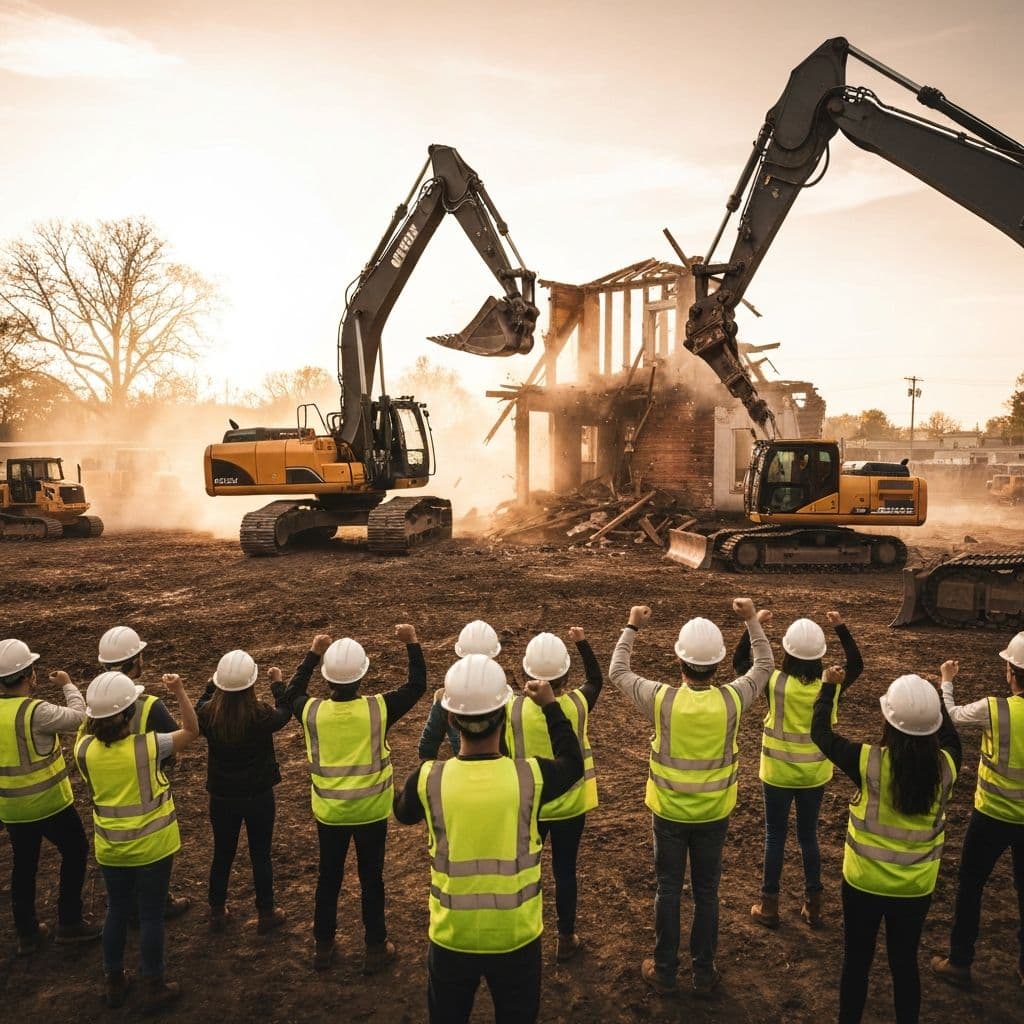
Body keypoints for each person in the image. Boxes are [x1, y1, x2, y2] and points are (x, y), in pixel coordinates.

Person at [393, 654, 583, 1024]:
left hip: (451, 935)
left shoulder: (428, 779)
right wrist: (550, 707)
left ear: (450, 719)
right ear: (504, 715)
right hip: (516, 935)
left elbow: (402, 813)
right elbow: (573, 763)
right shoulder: (531, 777)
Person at [610, 597, 773, 997]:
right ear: (718, 665)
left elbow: (618, 671)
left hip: (667, 811)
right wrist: (751, 620)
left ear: (679, 661)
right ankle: (703, 971)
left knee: (668, 889)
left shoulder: (663, 700)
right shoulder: (733, 699)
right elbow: (765, 666)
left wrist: (632, 625)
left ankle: (665, 969)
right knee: (707, 892)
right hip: (714, 813)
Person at [812, 668, 961, 1024]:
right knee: (905, 963)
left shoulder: (868, 761)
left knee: (857, 961)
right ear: (933, 725)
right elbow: (952, 739)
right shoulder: (948, 768)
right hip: (915, 886)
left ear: (887, 720)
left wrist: (828, 688)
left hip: (863, 882)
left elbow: (820, 733)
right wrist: (934, 696)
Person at [284, 624, 426, 974]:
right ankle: (376, 946)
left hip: (330, 812)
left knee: (328, 878)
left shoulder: (311, 712)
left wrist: (313, 654)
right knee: (371, 878)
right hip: (371, 811)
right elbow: (416, 686)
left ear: (327, 679)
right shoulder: (378, 709)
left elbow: (290, 695)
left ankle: (323, 945)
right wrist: (412, 643)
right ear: (363, 675)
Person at [74, 671, 200, 1010]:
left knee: (115, 911)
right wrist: (180, 690)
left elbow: (88, 724)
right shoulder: (149, 746)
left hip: (111, 847)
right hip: (153, 846)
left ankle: (114, 981)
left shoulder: (83, 749)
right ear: (130, 712)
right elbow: (192, 731)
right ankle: (154, 983)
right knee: (151, 915)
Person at [738, 610, 863, 929]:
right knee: (808, 836)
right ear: (820, 656)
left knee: (775, 835)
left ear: (787, 653)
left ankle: (769, 905)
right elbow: (857, 665)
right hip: (814, 775)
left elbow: (741, 664)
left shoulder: (775, 682)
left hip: (777, 773)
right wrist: (840, 626)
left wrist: (755, 625)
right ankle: (814, 906)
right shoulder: (830, 687)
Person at [931, 631, 1024, 990]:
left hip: (992, 816)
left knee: (970, 886)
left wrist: (946, 682)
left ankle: (960, 961)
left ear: (1010, 672)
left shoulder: (994, 709)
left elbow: (951, 716)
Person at [506, 627, 602, 962]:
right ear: (564, 674)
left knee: (525, 870)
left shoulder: (512, 710)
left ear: (527, 674)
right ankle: (566, 936)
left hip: (528, 804)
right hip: (570, 806)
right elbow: (595, 680)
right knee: (565, 871)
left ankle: (524, 931)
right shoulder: (577, 704)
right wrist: (582, 642)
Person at [0, 638, 101, 955]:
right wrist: (69, 685)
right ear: (29, 674)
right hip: (50, 803)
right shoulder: (37, 712)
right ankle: (69, 921)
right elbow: (80, 717)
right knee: (76, 850)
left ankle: (27, 932)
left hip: (13, 809)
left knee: (24, 865)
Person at [195, 647, 297, 934]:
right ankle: (266, 912)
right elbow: (285, 712)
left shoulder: (208, 715)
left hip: (222, 796)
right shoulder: (260, 714)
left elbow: (200, 703)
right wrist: (278, 683)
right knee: (260, 854)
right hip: (258, 795)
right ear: (251, 683)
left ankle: (217, 910)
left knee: (222, 853)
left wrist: (211, 684)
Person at [97, 624, 191, 919]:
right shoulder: (150, 705)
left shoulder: (95, 702)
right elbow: (179, 742)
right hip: (147, 790)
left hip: (108, 796)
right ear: (136, 660)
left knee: (119, 856)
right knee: (151, 850)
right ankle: (158, 902)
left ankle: (125, 903)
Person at [418, 620, 500, 760]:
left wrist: (427, 773)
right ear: (492, 655)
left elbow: (428, 745)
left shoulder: (446, 697)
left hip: (463, 769)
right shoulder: (506, 698)